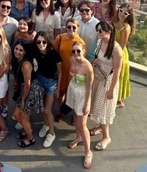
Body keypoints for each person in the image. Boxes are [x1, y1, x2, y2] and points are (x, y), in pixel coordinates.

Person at [89, 21, 123, 151]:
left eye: (100, 31)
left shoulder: (116, 49)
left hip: (107, 80)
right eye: (97, 30)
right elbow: (98, 58)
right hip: (98, 76)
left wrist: (111, 90)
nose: (98, 33)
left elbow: (117, 72)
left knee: (103, 108)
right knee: (97, 105)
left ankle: (106, 136)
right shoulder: (100, 42)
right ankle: (100, 127)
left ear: (109, 32)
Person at [66, 42, 94, 170]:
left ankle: (88, 152)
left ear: (84, 51)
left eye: (78, 51)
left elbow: (89, 87)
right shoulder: (72, 60)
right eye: (73, 51)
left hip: (83, 94)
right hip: (73, 90)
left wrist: (87, 103)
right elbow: (70, 76)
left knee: (82, 125)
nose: (76, 54)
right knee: (76, 120)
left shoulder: (88, 67)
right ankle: (78, 138)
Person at [31, 31, 61, 148]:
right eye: (38, 42)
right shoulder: (35, 51)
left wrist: (58, 88)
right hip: (40, 79)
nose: (41, 44)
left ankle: (51, 133)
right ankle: (46, 124)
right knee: (42, 107)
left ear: (48, 42)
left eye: (44, 42)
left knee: (47, 110)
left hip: (51, 82)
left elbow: (60, 72)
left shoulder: (53, 54)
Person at [11, 40, 44, 148]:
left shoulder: (25, 64)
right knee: (16, 115)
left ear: (25, 52)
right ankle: (26, 130)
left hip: (31, 91)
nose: (17, 51)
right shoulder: (17, 60)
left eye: (21, 50)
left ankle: (30, 138)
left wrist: (23, 101)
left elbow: (28, 85)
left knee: (24, 117)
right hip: (25, 90)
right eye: (16, 48)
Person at [54, 18, 85, 121]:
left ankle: (73, 114)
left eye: (74, 27)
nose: (71, 29)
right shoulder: (60, 38)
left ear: (77, 29)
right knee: (61, 93)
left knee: (74, 94)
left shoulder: (80, 42)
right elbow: (54, 53)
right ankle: (61, 111)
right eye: (69, 27)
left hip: (74, 72)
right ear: (66, 28)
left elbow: (82, 59)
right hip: (61, 70)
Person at [114, 2, 135, 108]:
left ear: (129, 16)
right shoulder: (115, 21)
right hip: (112, 50)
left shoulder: (126, 28)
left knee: (119, 76)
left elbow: (121, 47)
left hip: (119, 53)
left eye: (125, 13)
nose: (122, 14)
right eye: (121, 11)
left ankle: (119, 100)